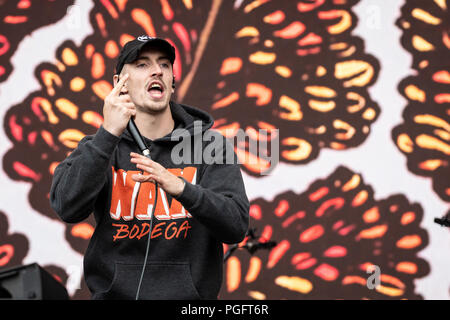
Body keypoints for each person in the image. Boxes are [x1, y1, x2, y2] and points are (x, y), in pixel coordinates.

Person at [50, 35, 250, 300]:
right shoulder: (99, 146)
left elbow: (235, 225)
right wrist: (108, 134)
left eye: (165, 65)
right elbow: (67, 206)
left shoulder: (209, 145)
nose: (157, 70)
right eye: (142, 64)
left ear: (171, 81)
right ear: (119, 83)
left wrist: (181, 189)